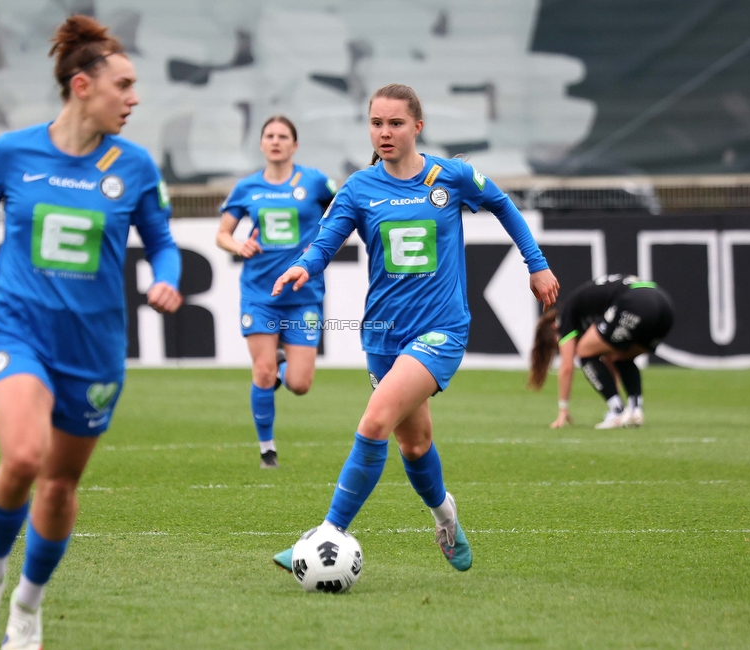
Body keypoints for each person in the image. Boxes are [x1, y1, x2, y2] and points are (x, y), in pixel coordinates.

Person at [0, 16, 182, 650]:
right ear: (82, 85)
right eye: (123, 85)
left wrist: (167, 277)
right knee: (23, 456)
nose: (133, 99)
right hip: (15, 326)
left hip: (94, 348)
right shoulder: (12, 152)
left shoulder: (133, 166)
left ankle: (28, 605)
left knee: (60, 483)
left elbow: (162, 242)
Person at [270, 84, 558, 574]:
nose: (385, 132)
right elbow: (324, 242)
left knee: (374, 422)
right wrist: (304, 266)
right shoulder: (359, 188)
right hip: (383, 334)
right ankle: (446, 518)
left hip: (442, 330)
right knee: (415, 444)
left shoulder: (451, 177)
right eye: (377, 123)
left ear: (417, 127)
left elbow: (505, 204)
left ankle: (327, 533)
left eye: (396, 123)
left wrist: (537, 264)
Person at [216, 116, 337, 469]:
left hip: (303, 292)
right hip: (260, 293)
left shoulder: (314, 182)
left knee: (299, 384)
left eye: (283, 136)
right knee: (263, 372)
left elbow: (345, 208)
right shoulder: (247, 187)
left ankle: (284, 366)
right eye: (269, 135)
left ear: (294, 145)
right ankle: (267, 448)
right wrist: (237, 246)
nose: (276, 141)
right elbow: (222, 233)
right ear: (261, 143)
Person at [528, 274, 674, 429]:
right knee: (621, 356)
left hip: (635, 303)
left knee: (584, 351)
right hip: (663, 304)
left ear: (554, 329)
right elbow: (610, 363)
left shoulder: (564, 317)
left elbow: (566, 367)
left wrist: (563, 408)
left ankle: (617, 411)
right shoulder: (586, 308)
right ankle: (635, 410)